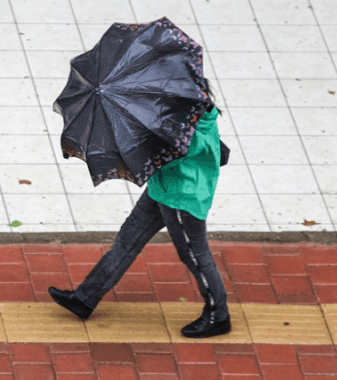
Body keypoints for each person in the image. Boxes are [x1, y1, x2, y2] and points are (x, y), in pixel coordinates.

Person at [49, 79, 230, 339]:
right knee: (127, 239)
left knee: (195, 255)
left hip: (181, 199)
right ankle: (85, 298)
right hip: (162, 189)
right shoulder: (198, 109)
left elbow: (144, 158)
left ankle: (218, 315)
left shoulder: (181, 128)